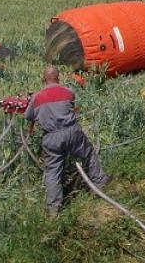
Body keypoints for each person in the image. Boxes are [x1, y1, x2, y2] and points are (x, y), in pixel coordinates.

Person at [25, 66, 109, 215]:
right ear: (58, 77)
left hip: (51, 137)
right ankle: (100, 183)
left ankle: (54, 208)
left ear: (43, 79)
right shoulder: (68, 92)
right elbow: (70, 105)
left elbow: (29, 116)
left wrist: (33, 101)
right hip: (72, 132)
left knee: (53, 172)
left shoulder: (37, 98)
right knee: (88, 154)